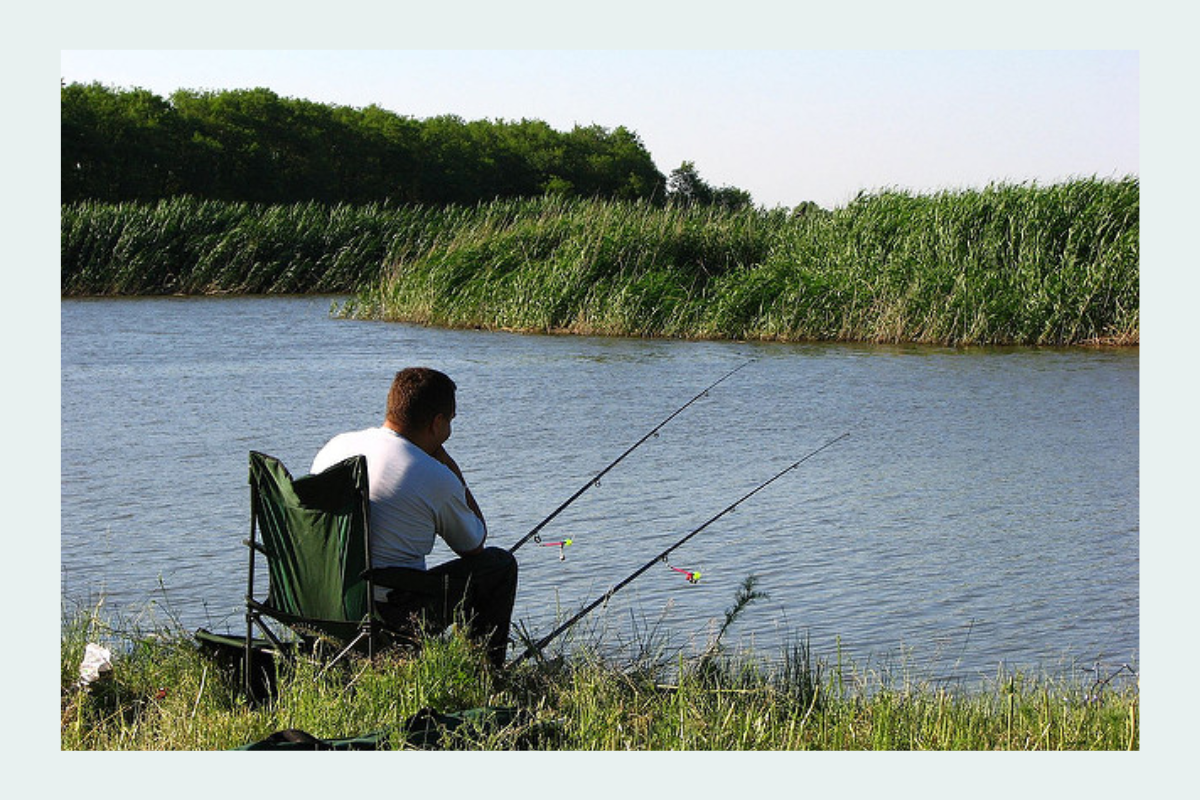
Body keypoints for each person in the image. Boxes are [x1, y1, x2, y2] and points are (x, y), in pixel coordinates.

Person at [311, 367, 517, 668]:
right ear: (437, 423)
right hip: (388, 610)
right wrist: (449, 467)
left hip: (320, 598)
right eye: (450, 422)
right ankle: (485, 674)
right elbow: (473, 542)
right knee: (499, 566)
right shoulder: (431, 474)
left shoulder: (337, 446)